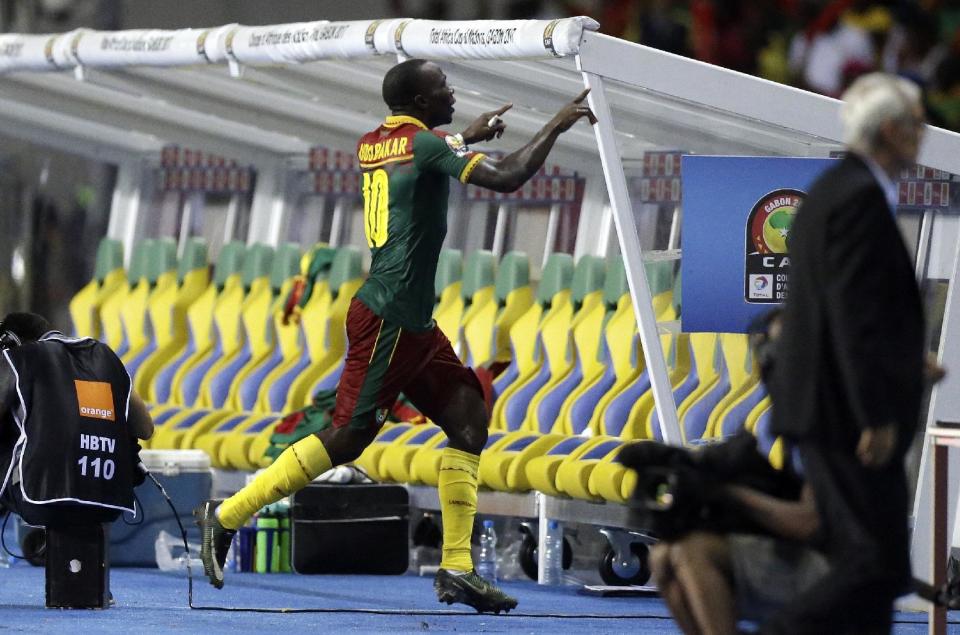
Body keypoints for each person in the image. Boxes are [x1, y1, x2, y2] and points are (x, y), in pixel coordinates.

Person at [195, 58, 596, 613]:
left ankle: (457, 567)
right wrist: (555, 124)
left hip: (412, 323)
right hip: (387, 317)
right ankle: (228, 514)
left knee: (467, 416)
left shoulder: (373, 143)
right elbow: (506, 178)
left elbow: (419, 151)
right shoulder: (429, 146)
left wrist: (461, 136)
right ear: (423, 103)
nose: (452, 93)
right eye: (444, 89)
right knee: (347, 439)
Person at [765, 72, 928, 634]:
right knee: (874, 564)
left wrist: (908, 362)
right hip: (845, 417)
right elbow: (852, 319)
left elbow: (840, 313)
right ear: (890, 131)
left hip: (823, 405)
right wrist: (875, 414)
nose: (924, 133)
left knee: (867, 573)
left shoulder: (832, 190)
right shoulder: (859, 199)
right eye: (916, 123)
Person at [0, 312, 153, 527]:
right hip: (109, 503)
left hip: (41, 501)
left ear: (10, 341)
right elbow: (145, 429)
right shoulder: (107, 356)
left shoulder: (20, 357)